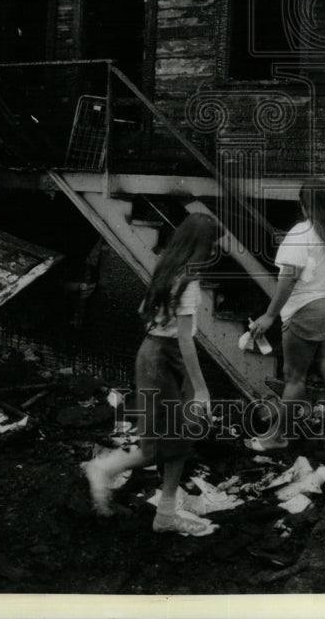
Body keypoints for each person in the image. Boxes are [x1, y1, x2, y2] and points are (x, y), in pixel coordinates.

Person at [81, 212, 218, 536]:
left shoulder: (166, 267)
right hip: (162, 360)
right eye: (209, 247)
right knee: (157, 446)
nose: (211, 254)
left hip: (156, 353)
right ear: (198, 246)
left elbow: (144, 310)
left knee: (179, 440)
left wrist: (160, 328)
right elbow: (185, 339)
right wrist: (201, 389)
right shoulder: (188, 283)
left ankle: (166, 515)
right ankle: (103, 470)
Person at [247, 178, 325, 458]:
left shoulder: (301, 233)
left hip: (308, 311)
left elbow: (287, 280)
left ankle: (276, 438)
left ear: (304, 204)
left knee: (294, 379)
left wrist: (269, 315)